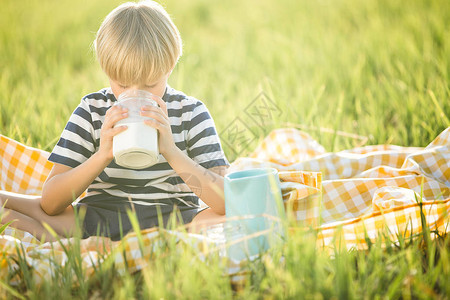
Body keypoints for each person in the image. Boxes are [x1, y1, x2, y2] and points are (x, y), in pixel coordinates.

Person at [0, 0, 229, 241]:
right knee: (41, 210)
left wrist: (171, 151)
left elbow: (223, 200)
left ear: (170, 67)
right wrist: (103, 154)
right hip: (101, 217)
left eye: (151, 84)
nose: (137, 93)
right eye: (122, 84)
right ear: (106, 71)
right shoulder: (92, 110)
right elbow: (51, 203)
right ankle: (12, 215)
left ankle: (37, 228)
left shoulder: (191, 112)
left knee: (240, 213)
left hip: (176, 218)